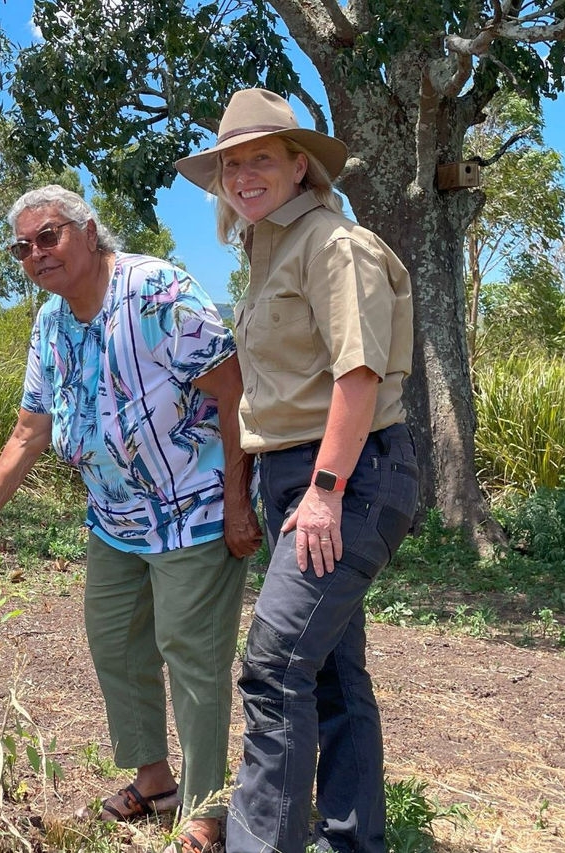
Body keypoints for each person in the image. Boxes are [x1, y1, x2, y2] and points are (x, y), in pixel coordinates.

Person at [0, 185, 261, 853]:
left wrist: (237, 500)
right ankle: (155, 779)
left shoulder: (156, 291)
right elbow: (29, 431)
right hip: (115, 518)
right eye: (22, 247)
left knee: (191, 655)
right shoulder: (51, 324)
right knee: (115, 643)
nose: (35, 254)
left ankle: (206, 810)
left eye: (47, 236)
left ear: (87, 232)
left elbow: (233, 393)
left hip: (192, 509)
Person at [174, 88, 419, 853]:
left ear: (300, 167)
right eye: (232, 163)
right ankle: (351, 841)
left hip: (346, 474)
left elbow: (358, 375)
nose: (245, 175)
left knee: (275, 665)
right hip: (298, 476)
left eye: (262, 159)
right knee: (330, 675)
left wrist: (322, 492)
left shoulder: (331, 243)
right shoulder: (265, 250)